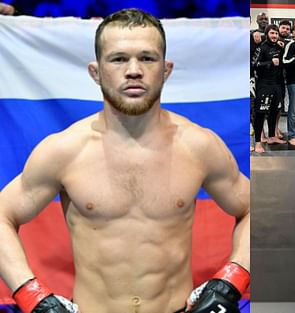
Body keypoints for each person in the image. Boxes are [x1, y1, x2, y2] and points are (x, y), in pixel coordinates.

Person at [0, 9, 249, 313]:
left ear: (166, 69)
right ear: (96, 72)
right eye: (118, 59)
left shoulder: (198, 145)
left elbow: (253, 208)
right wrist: (30, 295)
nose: (133, 70)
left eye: (147, 58)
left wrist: (231, 281)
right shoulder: (64, 151)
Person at [251, 24, 287, 153]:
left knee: (274, 111)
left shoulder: (278, 47)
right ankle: (258, 143)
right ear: (267, 34)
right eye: (272, 33)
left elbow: (283, 62)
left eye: (276, 33)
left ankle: (272, 137)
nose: (274, 36)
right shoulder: (262, 48)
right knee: (260, 113)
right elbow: (254, 64)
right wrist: (269, 63)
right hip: (264, 84)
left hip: (277, 84)